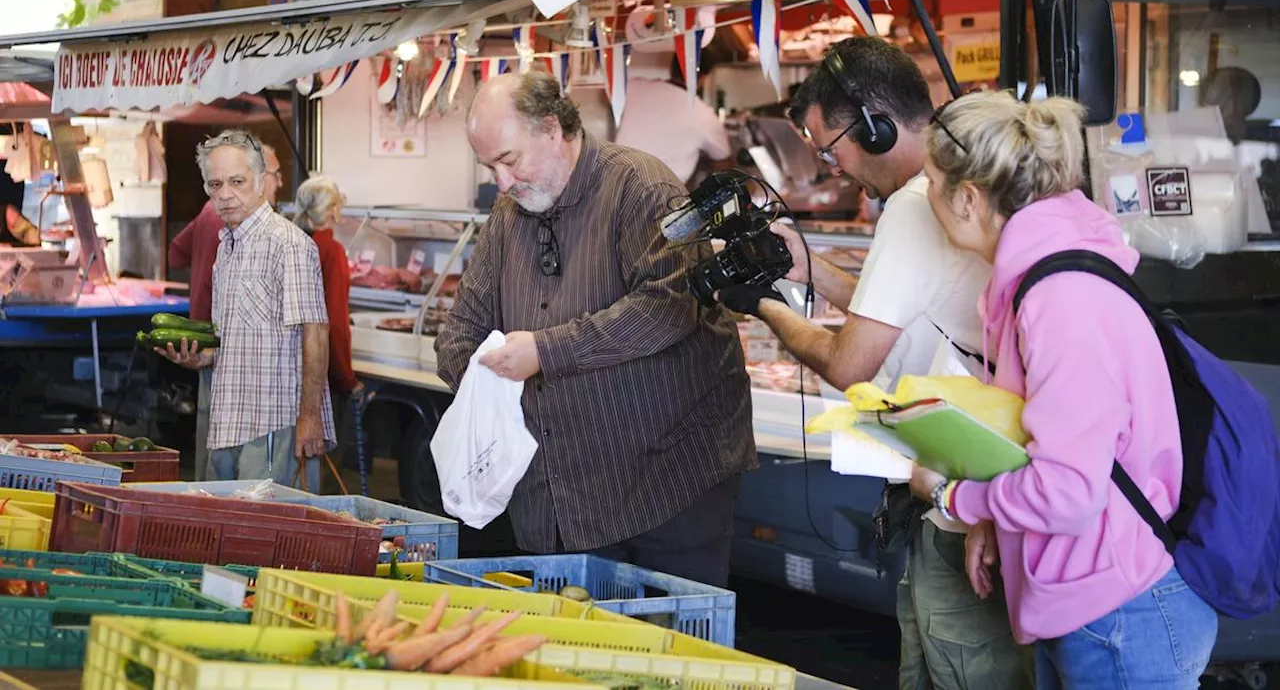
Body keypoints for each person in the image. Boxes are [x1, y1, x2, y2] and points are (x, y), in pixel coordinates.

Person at [717, 38, 1029, 689]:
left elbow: (849, 362)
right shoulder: (938, 192)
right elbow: (898, 303)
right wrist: (805, 267)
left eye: (833, 149)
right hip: (967, 489)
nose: (837, 168)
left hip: (967, 494)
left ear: (876, 126)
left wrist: (763, 305)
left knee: (953, 666)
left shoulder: (919, 202)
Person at [909, 91, 1217, 688]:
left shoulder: (1060, 298)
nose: (925, 197)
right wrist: (996, 526)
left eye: (929, 181)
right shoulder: (1041, 276)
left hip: (1121, 613)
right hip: (1092, 599)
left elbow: (1068, 490)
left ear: (968, 199)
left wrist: (954, 498)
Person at [435, 70, 755, 587]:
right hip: (562, 493)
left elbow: (668, 307)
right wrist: (479, 378)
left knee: (672, 648)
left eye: (509, 160)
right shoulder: (506, 215)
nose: (502, 181)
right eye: (489, 166)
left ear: (553, 128)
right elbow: (460, 331)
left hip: (666, 481)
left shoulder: (643, 187)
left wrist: (546, 351)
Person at [158, 130, 333, 489]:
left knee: (274, 536)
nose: (225, 194)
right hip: (227, 420)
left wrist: (310, 417)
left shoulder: (289, 245)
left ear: (259, 181)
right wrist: (202, 358)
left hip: (274, 426)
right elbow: (237, 336)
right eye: (215, 184)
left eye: (236, 181)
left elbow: (316, 332)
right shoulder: (227, 246)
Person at [169, 143, 282, 480]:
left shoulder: (210, 213)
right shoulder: (238, 223)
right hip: (223, 349)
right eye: (271, 176)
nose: (275, 185)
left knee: (214, 447)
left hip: (209, 342)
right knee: (238, 464)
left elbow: (176, 252)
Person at [293, 174, 364, 482]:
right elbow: (332, 323)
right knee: (323, 466)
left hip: (292, 369)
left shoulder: (295, 241)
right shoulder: (331, 250)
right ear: (333, 210)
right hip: (322, 376)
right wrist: (347, 379)